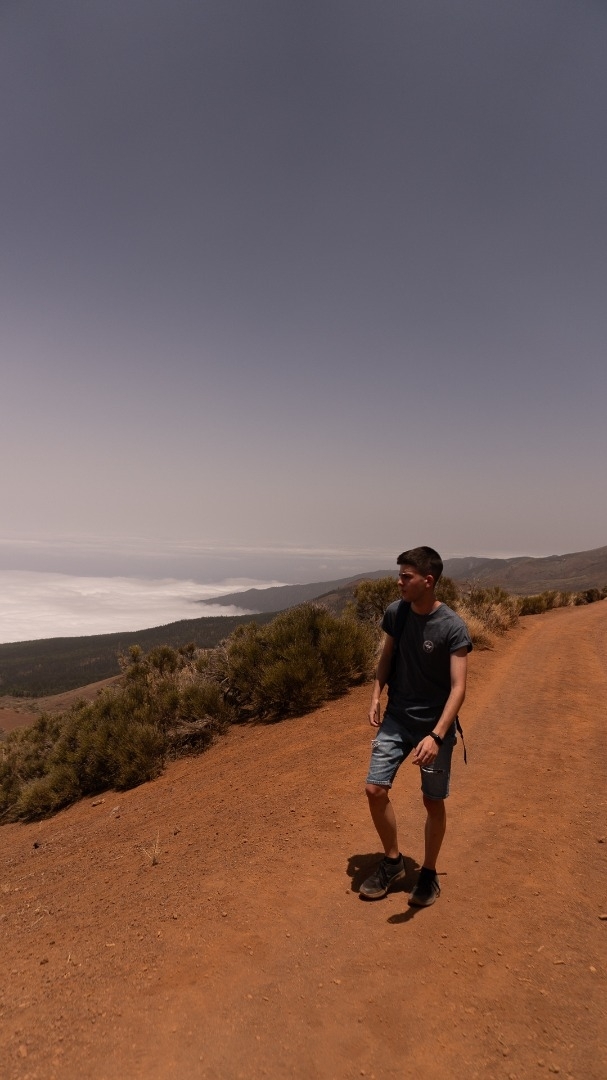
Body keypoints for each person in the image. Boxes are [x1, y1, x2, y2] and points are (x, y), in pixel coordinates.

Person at [360, 546, 472, 907]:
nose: (399, 582)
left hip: (434, 726)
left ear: (428, 580)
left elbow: (459, 688)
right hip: (397, 717)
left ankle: (428, 873)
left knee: (432, 800)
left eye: (406, 576)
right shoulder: (397, 612)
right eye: (400, 575)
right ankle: (393, 862)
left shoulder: (452, 627)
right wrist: (376, 695)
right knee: (374, 789)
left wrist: (437, 736)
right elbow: (386, 656)